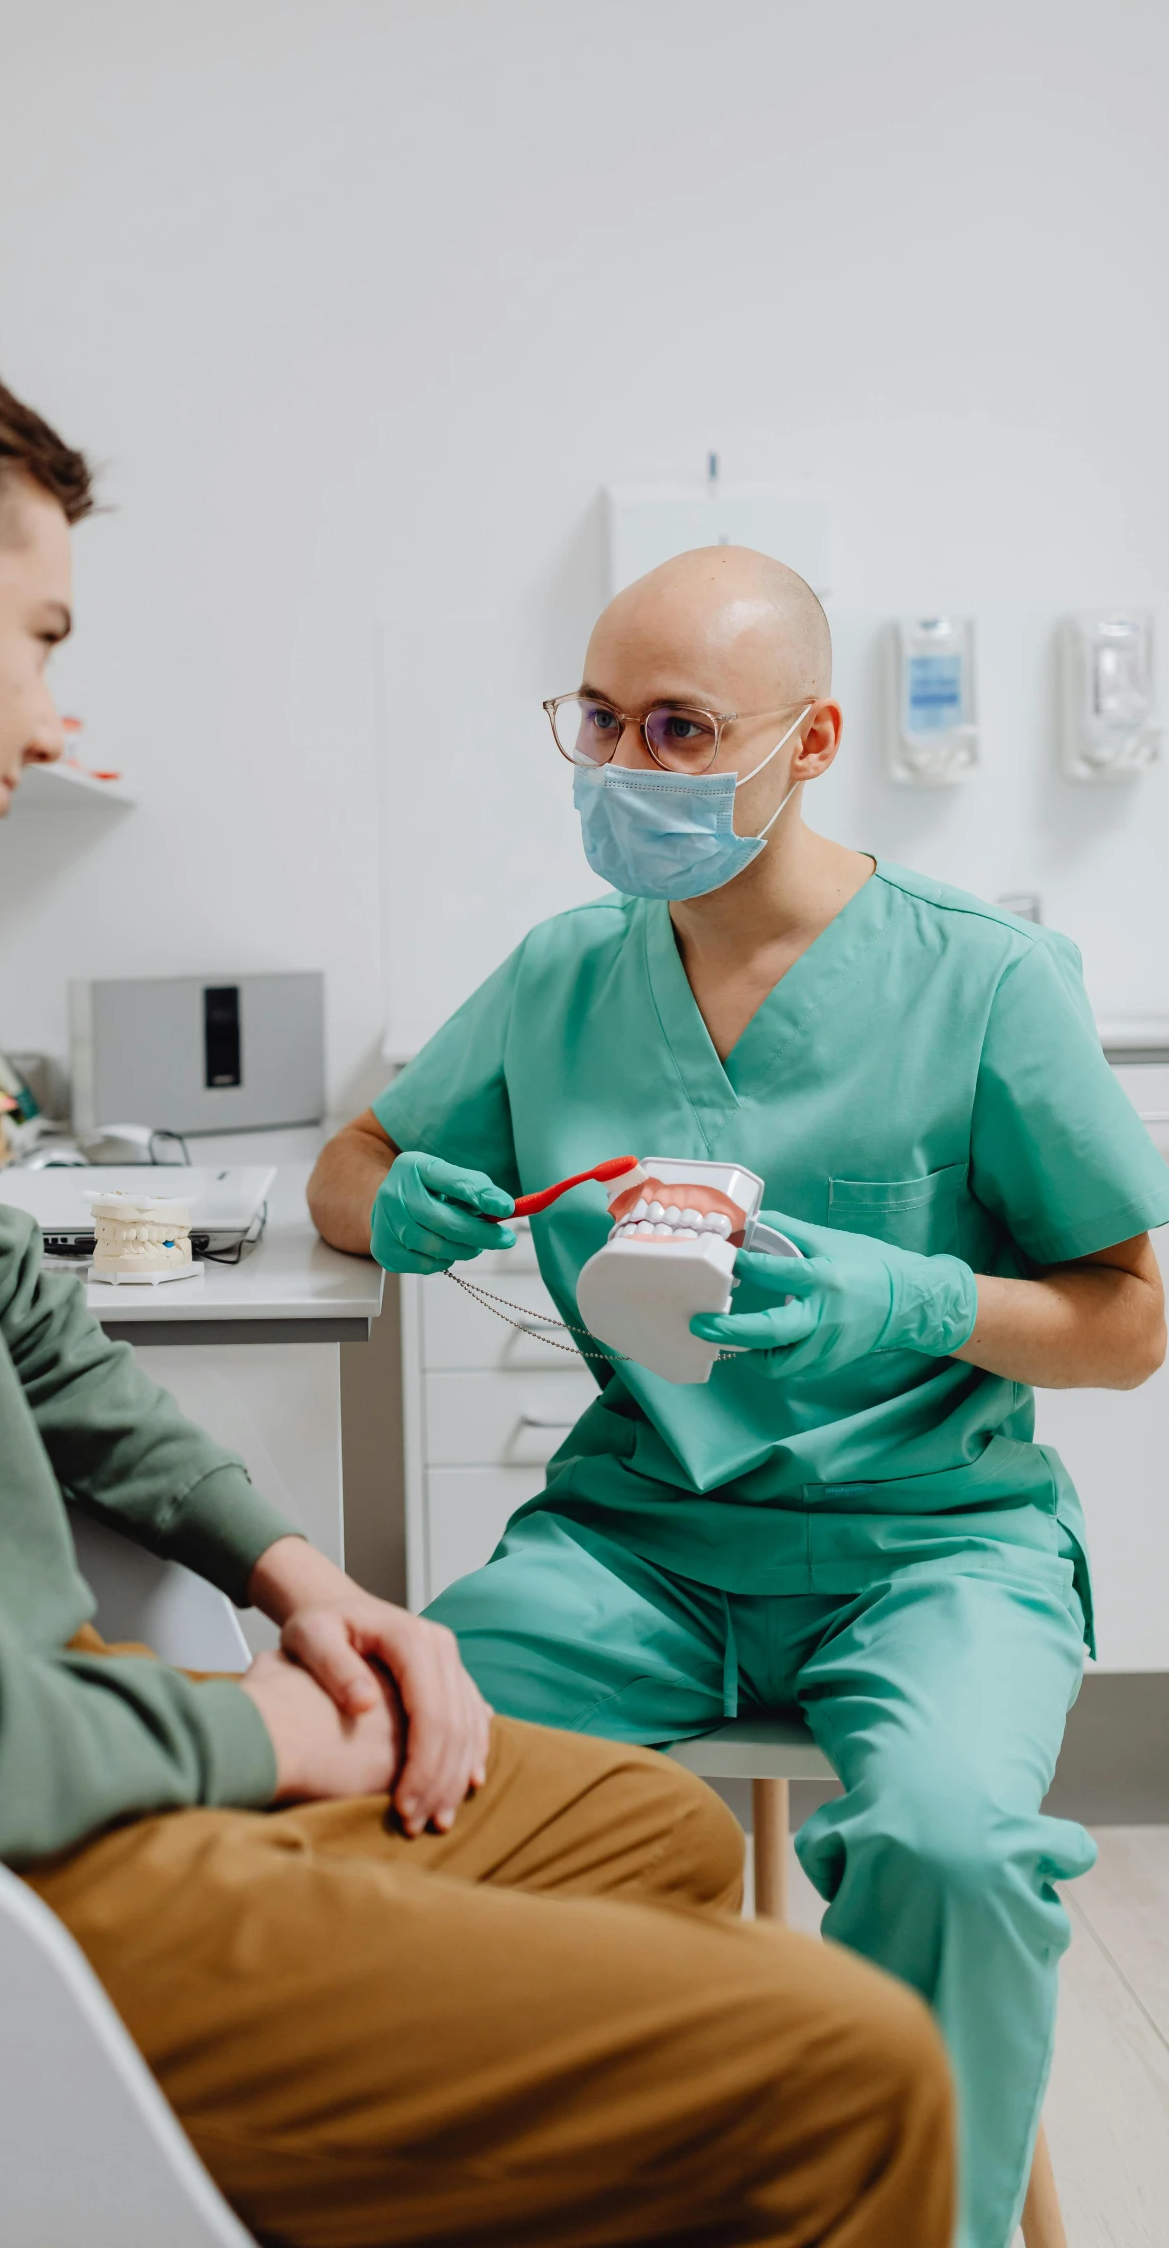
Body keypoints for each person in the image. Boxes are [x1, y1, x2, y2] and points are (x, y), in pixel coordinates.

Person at [0, 321, 953, 2248]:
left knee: (647, 1833)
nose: (55, 707)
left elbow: (26, 1322)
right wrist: (263, 1734)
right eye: (48, 634)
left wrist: (298, 1579)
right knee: (851, 2069)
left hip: (55, 1729)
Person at [311, 544, 1169, 2248]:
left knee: (953, 1850)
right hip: (634, 1544)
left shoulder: (983, 982)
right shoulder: (567, 971)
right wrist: (382, 1203)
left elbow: (1129, 1318)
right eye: (601, 721)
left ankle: (914, 2218)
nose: (627, 769)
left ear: (813, 735)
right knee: (386, 1774)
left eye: (681, 729)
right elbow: (362, 1154)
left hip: (931, 1547)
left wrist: (913, 1293)